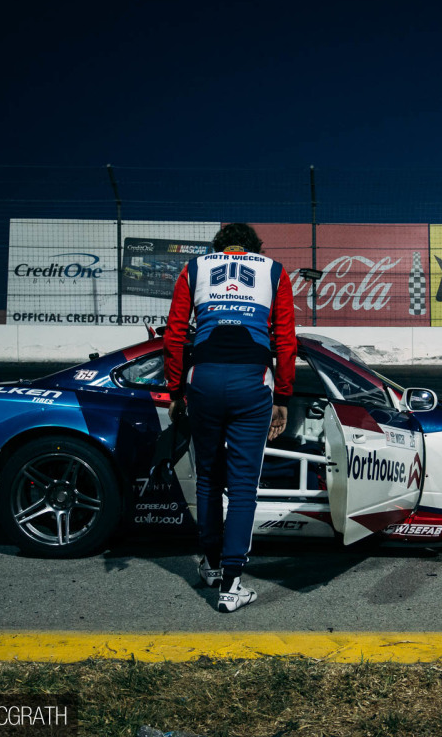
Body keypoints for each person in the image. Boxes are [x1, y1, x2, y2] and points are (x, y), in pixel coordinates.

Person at [163, 223, 296, 613]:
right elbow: (285, 340)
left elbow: (174, 334)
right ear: (255, 247)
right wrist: (284, 395)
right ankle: (232, 586)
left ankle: (210, 564)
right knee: (242, 487)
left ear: (218, 246)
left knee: (207, 478)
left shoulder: (195, 267)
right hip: (250, 381)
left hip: (202, 379)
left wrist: (175, 391)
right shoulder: (274, 270)